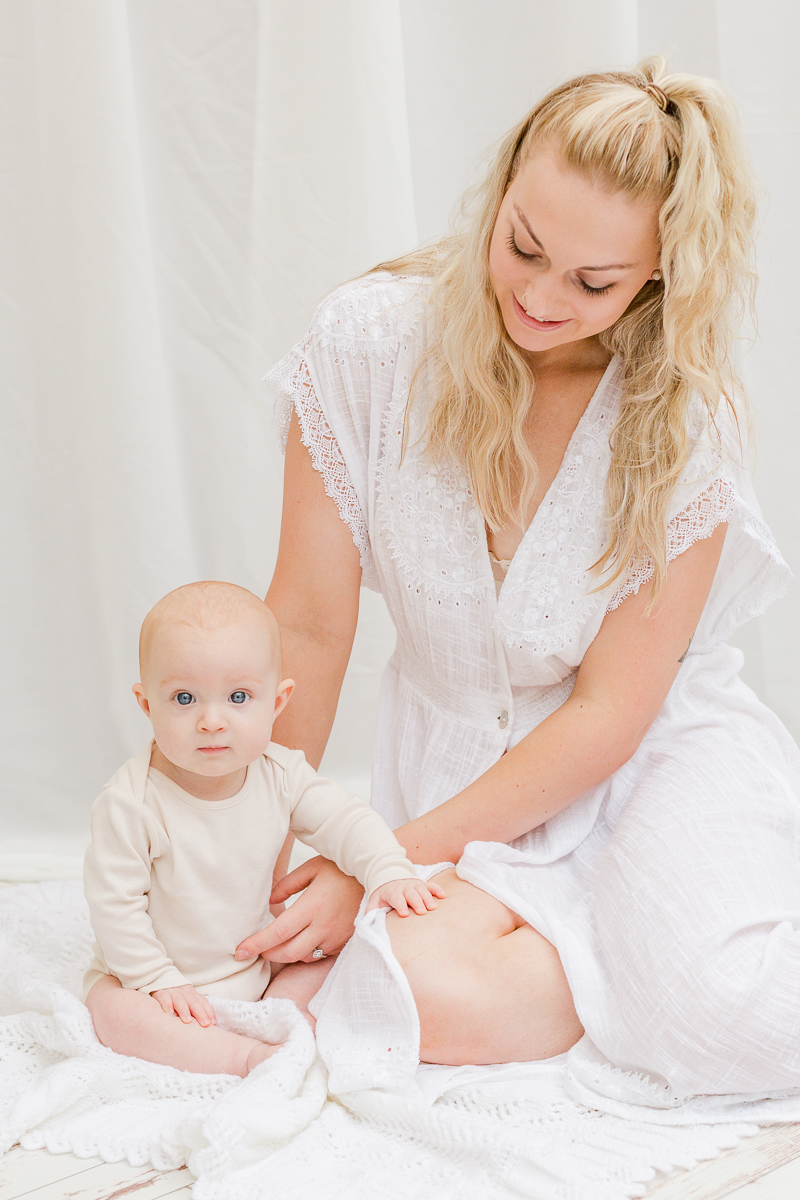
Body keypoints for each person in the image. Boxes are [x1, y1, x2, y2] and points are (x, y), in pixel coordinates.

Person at [240, 57, 800, 1095]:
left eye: (591, 283)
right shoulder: (367, 343)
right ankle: (619, 958)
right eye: (521, 247)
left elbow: (604, 716)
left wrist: (375, 861)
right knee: (386, 984)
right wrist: (258, 841)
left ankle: (662, 937)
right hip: (456, 780)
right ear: (498, 193)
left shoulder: (682, 420)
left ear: (658, 274)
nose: (539, 297)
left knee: (737, 1023)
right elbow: (310, 624)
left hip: (642, 761)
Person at [83, 581, 443, 1077]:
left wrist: (386, 870)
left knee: (345, 955)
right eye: (184, 698)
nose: (212, 721)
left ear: (277, 702)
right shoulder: (131, 803)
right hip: (160, 978)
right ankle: (241, 1056)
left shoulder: (281, 774)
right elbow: (114, 906)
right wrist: (155, 978)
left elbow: (345, 820)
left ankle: (287, 1018)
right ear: (147, 705)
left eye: (237, 697)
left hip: (259, 964)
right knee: (115, 1012)